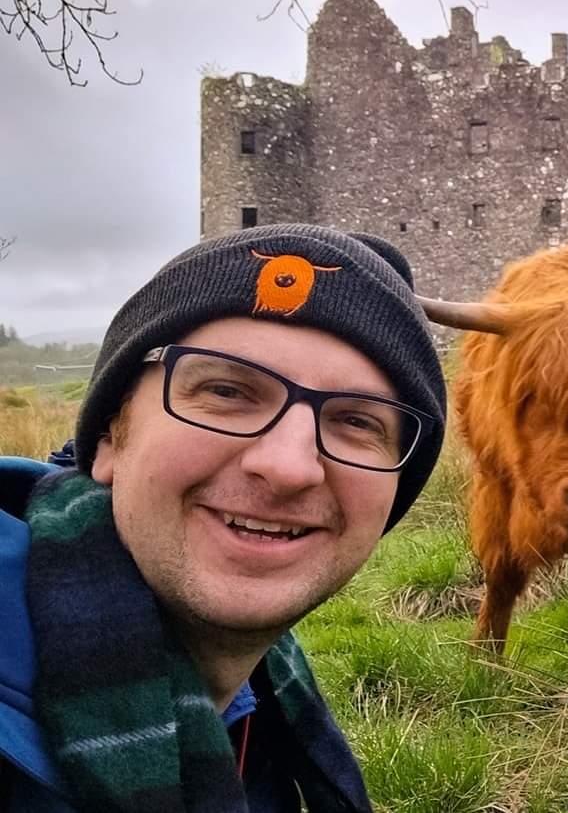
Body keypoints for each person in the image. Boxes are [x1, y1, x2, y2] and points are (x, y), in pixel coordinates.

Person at [0, 225, 446, 812]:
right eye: (227, 391)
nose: (289, 467)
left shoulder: (261, 717)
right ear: (109, 438)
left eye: (358, 422)